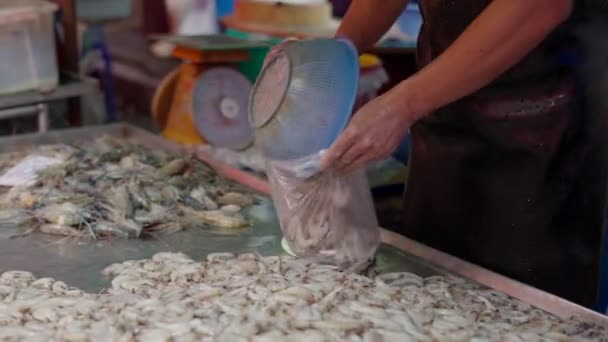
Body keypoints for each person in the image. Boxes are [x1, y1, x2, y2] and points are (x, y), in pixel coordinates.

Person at [272, 0, 608, 308]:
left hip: (549, 121)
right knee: (427, 286)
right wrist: (336, 55)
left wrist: (403, 104)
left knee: (522, 307)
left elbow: (539, 5)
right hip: (443, 106)